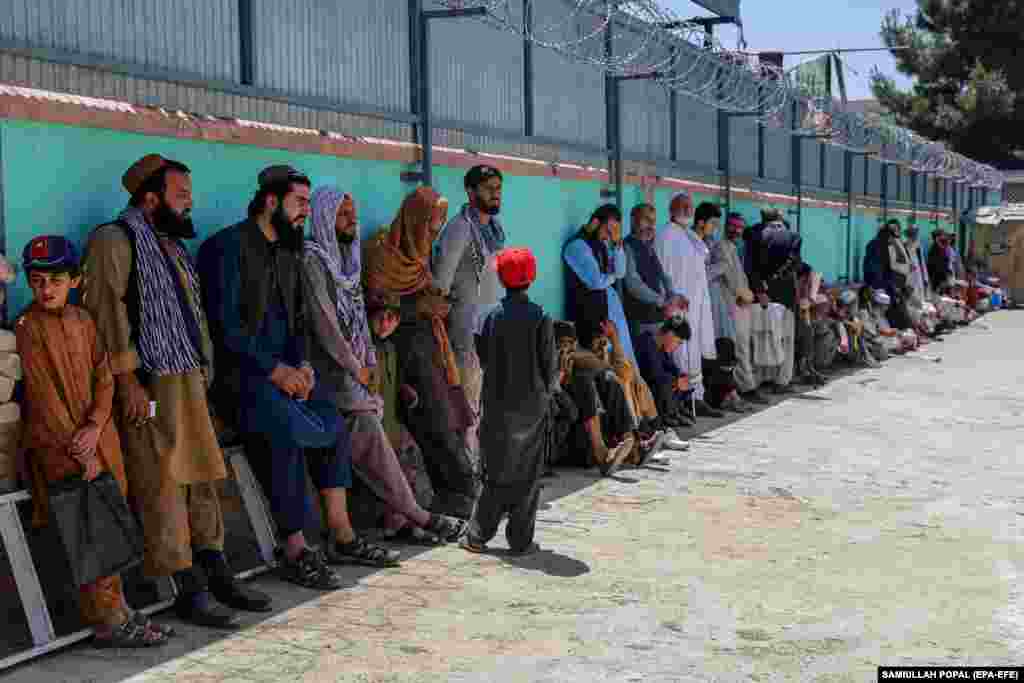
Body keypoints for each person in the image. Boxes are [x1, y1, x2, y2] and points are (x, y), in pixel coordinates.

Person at [82, 155, 268, 629]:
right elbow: (107, 314)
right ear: (150, 199)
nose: (190, 205)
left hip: (187, 378)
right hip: (148, 382)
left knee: (202, 476)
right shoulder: (115, 239)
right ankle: (186, 586)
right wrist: (126, 383)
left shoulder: (169, 244)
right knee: (162, 481)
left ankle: (216, 570)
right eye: (180, 196)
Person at [199, 165, 400, 591]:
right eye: (299, 203)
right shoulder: (227, 248)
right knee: (283, 430)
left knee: (331, 415)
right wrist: (276, 371)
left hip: (288, 376)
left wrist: (304, 367)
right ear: (271, 201)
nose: (305, 213)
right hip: (243, 379)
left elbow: (298, 325)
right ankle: (294, 548)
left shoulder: (290, 253)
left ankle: (342, 534)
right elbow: (225, 329)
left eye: (308, 205)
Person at [16, 235, 171, 648]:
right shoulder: (28, 327)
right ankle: (107, 620)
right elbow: (43, 396)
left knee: (110, 526)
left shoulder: (84, 321)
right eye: (37, 281)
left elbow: (104, 379)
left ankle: (119, 609)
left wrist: (97, 426)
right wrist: (79, 447)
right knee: (86, 534)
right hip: (62, 450)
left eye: (55, 280)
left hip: (101, 442)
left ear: (75, 280)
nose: (46, 290)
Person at [301, 186, 465, 544]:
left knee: (394, 426)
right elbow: (327, 325)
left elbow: (358, 317)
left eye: (353, 214)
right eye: (343, 215)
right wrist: (358, 368)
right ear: (324, 217)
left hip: (368, 370)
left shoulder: (348, 260)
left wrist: (369, 362)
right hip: (332, 375)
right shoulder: (315, 259)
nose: (352, 221)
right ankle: (416, 514)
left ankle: (404, 518)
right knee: (374, 430)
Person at [363, 187, 478, 519]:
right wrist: (418, 306)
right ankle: (451, 495)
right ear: (414, 220)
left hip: (430, 350)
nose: (434, 232)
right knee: (432, 424)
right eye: (430, 224)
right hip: (400, 357)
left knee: (447, 422)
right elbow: (375, 303)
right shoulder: (383, 254)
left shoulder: (417, 258)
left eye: (438, 225)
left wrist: (433, 307)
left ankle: (457, 495)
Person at [460, 248, 554, 555]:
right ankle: (520, 540)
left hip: (498, 407)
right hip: (532, 410)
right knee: (528, 475)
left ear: (501, 277)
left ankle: (476, 536)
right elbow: (548, 367)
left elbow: (483, 356)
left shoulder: (490, 317)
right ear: (532, 277)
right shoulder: (541, 317)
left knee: (496, 472)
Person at [431, 165, 507, 463]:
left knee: (489, 403)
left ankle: (486, 469)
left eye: (498, 188)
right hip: (466, 331)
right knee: (468, 404)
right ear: (470, 191)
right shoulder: (461, 228)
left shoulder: (493, 230)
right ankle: (469, 473)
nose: (495, 194)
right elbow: (441, 283)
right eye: (488, 188)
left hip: (489, 328)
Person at [364, 291, 438, 542]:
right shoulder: (364, 347)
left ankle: (405, 519)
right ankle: (396, 522)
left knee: (409, 467)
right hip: (375, 425)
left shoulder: (391, 348)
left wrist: (404, 390)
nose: (385, 324)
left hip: (393, 425)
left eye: (391, 318)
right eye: (380, 318)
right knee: (393, 473)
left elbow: (392, 384)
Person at [655, 198, 725, 417]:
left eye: (689, 208)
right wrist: (669, 300)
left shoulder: (689, 235)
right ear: (671, 209)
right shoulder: (665, 235)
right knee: (679, 355)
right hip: (677, 305)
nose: (686, 211)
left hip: (695, 305)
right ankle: (682, 403)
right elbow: (662, 272)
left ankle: (697, 397)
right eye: (682, 208)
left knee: (693, 353)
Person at [564, 204, 637, 366]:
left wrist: (617, 244)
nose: (609, 236)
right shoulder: (577, 246)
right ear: (596, 222)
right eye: (608, 230)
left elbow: (620, 272)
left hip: (606, 316)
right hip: (587, 320)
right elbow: (596, 281)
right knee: (602, 370)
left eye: (614, 232)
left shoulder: (602, 244)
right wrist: (611, 276)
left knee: (621, 365)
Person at [707, 212, 767, 405]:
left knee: (742, 347)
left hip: (741, 304)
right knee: (739, 348)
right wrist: (745, 294)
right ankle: (747, 387)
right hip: (732, 304)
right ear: (726, 226)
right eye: (733, 226)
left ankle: (741, 387)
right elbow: (731, 278)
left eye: (740, 227)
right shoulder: (722, 246)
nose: (736, 230)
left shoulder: (735, 246)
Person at [747, 207, 799, 395]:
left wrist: (760, 289)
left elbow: (751, 267)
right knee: (782, 339)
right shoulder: (790, 236)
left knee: (762, 337)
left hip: (766, 297)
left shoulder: (754, 235)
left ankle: (765, 379)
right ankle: (781, 381)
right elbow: (794, 263)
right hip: (782, 297)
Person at [621, 203, 686, 340]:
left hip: (657, 316)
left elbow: (662, 275)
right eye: (646, 219)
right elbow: (633, 283)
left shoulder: (648, 245)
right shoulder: (627, 246)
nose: (651, 225)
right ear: (633, 220)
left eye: (653, 221)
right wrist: (662, 301)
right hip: (640, 318)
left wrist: (673, 296)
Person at [633, 316, 699, 428]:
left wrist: (683, 378)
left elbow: (671, 368)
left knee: (679, 376)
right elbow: (654, 375)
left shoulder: (661, 347)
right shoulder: (646, 343)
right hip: (644, 392)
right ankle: (665, 417)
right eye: (678, 342)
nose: (677, 346)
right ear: (670, 334)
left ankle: (675, 412)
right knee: (667, 381)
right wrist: (676, 382)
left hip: (656, 387)